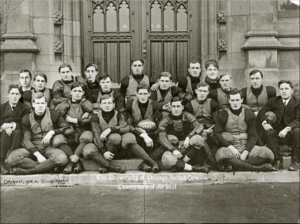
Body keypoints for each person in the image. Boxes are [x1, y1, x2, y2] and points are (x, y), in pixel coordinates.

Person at [7, 92, 72, 175]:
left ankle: (30, 171)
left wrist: (52, 132)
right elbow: (26, 140)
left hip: (49, 147)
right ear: (33, 104)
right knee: (11, 159)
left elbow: (67, 128)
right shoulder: (27, 118)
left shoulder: (52, 114)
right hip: (32, 148)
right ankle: (45, 166)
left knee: (62, 158)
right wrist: (38, 155)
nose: (40, 106)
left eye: (42, 103)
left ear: (45, 104)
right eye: (37, 103)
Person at [91, 95, 159, 173]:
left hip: (121, 148)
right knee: (113, 138)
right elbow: (96, 134)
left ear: (113, 105)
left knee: (128, 138)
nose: (107, 105)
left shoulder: (119, 114)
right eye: (105, 103)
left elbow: (125, 127)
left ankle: (152, 162)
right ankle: (106, 164)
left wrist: (110, 129)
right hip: (106, 148)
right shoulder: (95, 117)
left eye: (109, 103)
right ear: (100, 105)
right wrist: (104, 152)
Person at [214, 88, 275, 172]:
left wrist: (246, 152)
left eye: (237, 100)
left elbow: (253, 135)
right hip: (231, 148)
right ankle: (256, 168)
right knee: (221, 154)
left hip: (247, 146)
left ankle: (237, 165)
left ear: (241, 100)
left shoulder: (248, 113)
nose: (235, 103)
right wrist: (231, 147)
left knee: (268, 154)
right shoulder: (223, 113)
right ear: (229, 101)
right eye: (233, 100)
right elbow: (216, 133)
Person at [149, 97, 210, 173]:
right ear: (170, 108)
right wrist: (173, 150)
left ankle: (182, 163)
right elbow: (162, 138)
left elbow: (199, 126)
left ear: (182, 107)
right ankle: (194, 168)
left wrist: (189, 137)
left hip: (187, 147)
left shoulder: (188, 116)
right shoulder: (165, 120)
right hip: (172, 149)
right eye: (174, 106)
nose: (176, 109)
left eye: (178, 106)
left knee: (198, 139)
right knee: (168, 160)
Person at [258, 80, 299, 171]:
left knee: (297, 131)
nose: (284, 91)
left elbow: (298, 119)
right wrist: (265, 123)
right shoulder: (274, 101)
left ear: (291, 90)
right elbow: (262, 112)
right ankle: (277, 160)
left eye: (286, 89)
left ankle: (295, 161)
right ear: (279, 90)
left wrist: (287, 129)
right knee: (269, 132)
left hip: (291, 131)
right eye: (281, 89)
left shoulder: (297, 102)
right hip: (278, 130)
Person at [55, 82, 94, 174]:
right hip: (69, 133)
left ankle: (71, 164)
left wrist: (73, 120)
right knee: (58, 140)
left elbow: (88, 119)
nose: (77, 93)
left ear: (83, 92)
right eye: (75, 91)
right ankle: (78, 162)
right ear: (71, 92)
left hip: (82, 132)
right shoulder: (64, 104)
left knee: (87, 136)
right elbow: (60, 120)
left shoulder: (86, 104)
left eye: (79, 91)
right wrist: (76, 120)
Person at [126, 86, 162, 171]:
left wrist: (149, 135)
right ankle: (151, 162)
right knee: (130, 140)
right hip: (137, 134)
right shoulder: (130, 105)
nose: (143, 96)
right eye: (140, 94)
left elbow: (159, 124)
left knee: (162, 141)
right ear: (136, 94)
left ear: (149, 94)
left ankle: (144, 164)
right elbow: (129, 125)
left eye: (145, 94)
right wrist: (143, 135)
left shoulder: (155, 105)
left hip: (152, 134)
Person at [184, 82, 219, 168]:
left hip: (210, 129)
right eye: (200, 91)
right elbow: (189, 123)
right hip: (195, 129)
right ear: (196, 91)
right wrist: (201, 131)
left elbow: (216, 121)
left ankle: (209, 161)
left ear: (208, 92)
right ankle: (210, 162)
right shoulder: (189, 105)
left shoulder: (213, 103)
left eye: (204, 91)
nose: (202, 93)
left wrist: (211, 130)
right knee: (201, 138)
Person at [1, 84, 30, 174]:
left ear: (20, 96)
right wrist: (4, 128)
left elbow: (25, 124)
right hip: (3, 133)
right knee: (5, 134)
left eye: (17, 94)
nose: (14, 96)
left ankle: (11, 159)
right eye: (12, 93)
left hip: (18, 134)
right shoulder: (1, 107)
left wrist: (12, 125)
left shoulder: (25, 108)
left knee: (17, 132)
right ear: (8, 95)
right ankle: (1, 162)